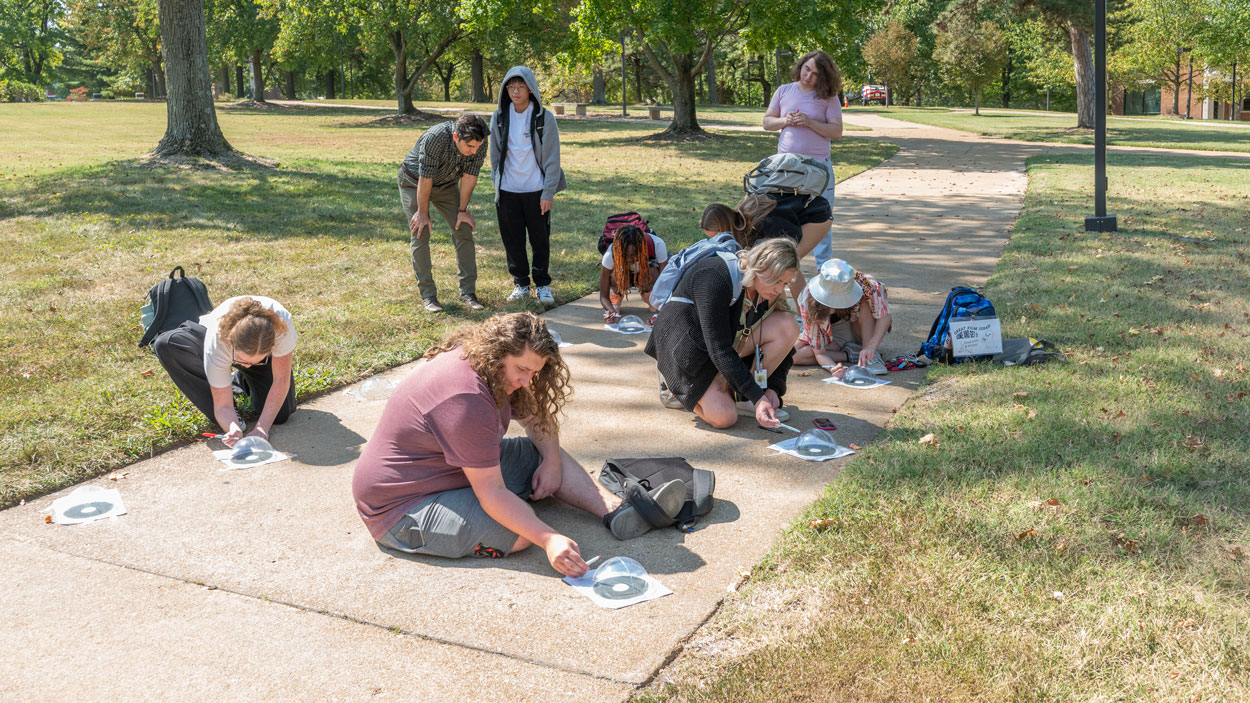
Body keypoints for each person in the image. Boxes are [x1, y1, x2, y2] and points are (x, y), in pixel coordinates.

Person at [352, 312, 686, 577]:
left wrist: (552, 460)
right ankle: (530, 522)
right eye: (522, 370)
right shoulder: (465, 398)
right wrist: (548, 539)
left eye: (534, 373)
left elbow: (537, 418)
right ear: (498, 353)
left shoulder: (492, 366)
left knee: (535, 454)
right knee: (522, 534)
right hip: (402, 508)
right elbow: (492, 494)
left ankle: (618, 513)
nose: (526, 381)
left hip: (449, 473)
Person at [645, 238, 801, 430]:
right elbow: (718, 349)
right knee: (724, 417)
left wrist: (772, 389)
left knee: (788, 325)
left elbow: (786, 348)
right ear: (760, 269)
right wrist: (759, 398)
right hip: (685, 345)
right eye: (776, 281)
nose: (779, 289)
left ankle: (743, 396)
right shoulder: (715, 275)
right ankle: (674, 386)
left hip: (719, 342)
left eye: (784, 283)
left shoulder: (766, 290)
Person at [153, 296, 297, 447]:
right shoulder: (217, 341)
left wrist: (262, 429)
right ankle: (228, 378)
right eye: (242, 360)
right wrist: (232, 427)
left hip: (253, 348)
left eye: (257, 361)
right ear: (230, 343)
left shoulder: (282, 329)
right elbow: (223, 406)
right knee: (166, 344)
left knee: (280, 415)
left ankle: (240, 380)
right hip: (211, 337)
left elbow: (281, 379)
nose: (248, 366)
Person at [489, 66, 566, 306]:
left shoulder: (544, 118)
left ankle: (542, 284)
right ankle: (521, 284)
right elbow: (495, 156)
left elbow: (553, 158)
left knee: (540, 240)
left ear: (530, 89)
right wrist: (498, 186)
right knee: (512, 241)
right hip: (508, 191)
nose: (515, 91)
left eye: (520, 86)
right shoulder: (499, 117)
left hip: (536, 191)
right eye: (510, 86)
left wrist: (548, 191)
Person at [399, 113, 490, 313]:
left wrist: (462, 210)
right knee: (420, 231)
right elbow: (425, 179)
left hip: (447, 184)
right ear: (456, 137)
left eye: (478, 146)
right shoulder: (436, 137)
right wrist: (422, 212)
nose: (475, 151)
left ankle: (468, 292)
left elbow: (469, 176)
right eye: (470, 147)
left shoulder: (479, 141)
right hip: (414, 182)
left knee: (463, 227)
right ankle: (428, 295)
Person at [762, 50, 844, 270]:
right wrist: (785, 120)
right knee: (781, 213)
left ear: (823, 76)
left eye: (815, 73)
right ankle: (781, 262)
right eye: (807, 69)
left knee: (822, 215)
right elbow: (767, 122)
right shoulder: (784, 91)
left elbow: (836, 132)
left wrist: (809, 122)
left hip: (817, 168)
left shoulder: (828, 97)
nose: (808, 76)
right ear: (800, 66)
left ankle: (823, 269)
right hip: (786, 166)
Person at [793, 259, 892, 374]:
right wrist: (833, 368)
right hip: (834, 334)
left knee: (865, 303)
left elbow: (885, 317)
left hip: (861, 328)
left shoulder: (867, 284)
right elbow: (820, 353)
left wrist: (871, 346)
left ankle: (870, 355)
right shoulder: (808, 297)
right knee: (795, 356)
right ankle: (851, 354)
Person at [598, 224, 668, 323]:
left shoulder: (657, 244)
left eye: (634, 254)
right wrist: (610, 312)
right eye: (624, 255)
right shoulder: (610, 254)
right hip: (623, 274)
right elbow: (603, 296)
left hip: (647, 273)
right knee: (615, 275)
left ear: (643, 248)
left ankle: (649, 294)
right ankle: (617, 294)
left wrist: (659, 313)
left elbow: (666, 284)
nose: (629, 259)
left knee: (653, 271)